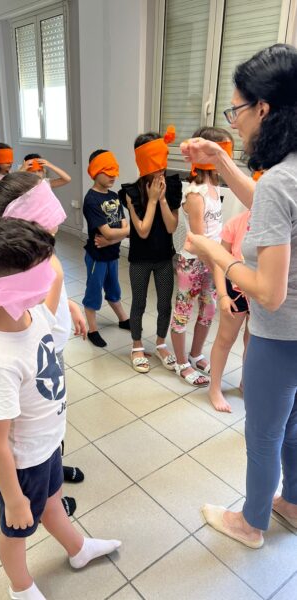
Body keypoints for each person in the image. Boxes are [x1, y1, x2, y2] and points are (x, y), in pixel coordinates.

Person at [0, 217, 120, 600]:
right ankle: (21, 588)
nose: (51, 277)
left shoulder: (30, 310)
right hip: (22, 461)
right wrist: (13, 499)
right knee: (16, 530)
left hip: (47, 442)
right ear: (10, 288)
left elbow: (46, 303)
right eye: (39, 273)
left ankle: (78, 549)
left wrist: (69, 304)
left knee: (54, 501)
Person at [182, 44, 297, 548]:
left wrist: (216, 253)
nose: (236, 120)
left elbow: (269, 293)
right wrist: (224, 161)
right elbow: (274, 209)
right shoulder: (289, 174)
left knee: (264, 434)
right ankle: (292, 502)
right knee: (294, 427)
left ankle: (251, 524)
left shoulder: (280, 181)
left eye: (237, 110)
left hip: (281, 336)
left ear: (263, 110)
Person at [0, 172, 87, 515]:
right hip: (38, 357)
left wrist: (69, 303)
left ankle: (53, 469)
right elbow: (35, 319)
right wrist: (57, 283)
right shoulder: (23, 264)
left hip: (49, 348)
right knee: (37, 422)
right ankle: (45, 493)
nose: (57, 222)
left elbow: (43, 303)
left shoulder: (33, 254)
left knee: (52, 418)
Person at [170, 126, 234, 387]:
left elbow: (215, 232)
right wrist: (221, 267)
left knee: (208, 309)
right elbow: (199, 239)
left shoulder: (214, 186)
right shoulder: (195, 194)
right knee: (183, 312)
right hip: (193, 263)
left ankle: (195, 354)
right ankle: (181, 362)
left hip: (212, 261)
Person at [119, 127, 181, 373]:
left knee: (165, 304)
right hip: (140, 259)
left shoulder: (173, 186)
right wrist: (152, 199)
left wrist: (163, 198)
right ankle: (136, 345)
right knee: (139, 303)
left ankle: (161, 344)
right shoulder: (131, 192)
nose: (161, 168)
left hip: (164, 257)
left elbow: (171, 226)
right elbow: (142, 230)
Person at [82, 149, 130, 347]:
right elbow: (109, 232)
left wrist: (111, 240)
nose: (113, 176)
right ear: (95, 171)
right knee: (94, 293)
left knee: (114, 288)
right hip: (97, 256)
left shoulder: (114, 196)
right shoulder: (91, 200)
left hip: (112, 253)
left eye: (114, 171)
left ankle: (123, 319)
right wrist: (121, 234)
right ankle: (92, 329)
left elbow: (124, 228)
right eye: (107, 172)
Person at [208, 208, 251, 412]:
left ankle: (246, 383)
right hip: (235, 290)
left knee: (252, 342)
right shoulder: (236, 223)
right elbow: (219, 262)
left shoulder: (279, 222)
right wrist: (223, 295)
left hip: (260, 294)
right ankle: (214, 388)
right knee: (225, 339)